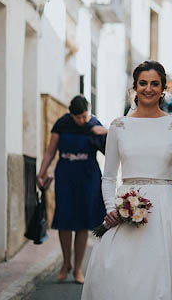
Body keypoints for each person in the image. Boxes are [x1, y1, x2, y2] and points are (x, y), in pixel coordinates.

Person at [82, 61, 172, 298]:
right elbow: (108, 177)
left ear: (163, 88)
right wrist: (111, 209)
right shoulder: (119, 126)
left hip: (168, 210)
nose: (148, 89)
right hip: (126, 208)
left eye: (154, 84)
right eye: (143, 83)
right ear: (134, 88)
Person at [36, 95, 108, 284]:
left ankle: (78, 268)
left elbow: (111, 150)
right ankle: (65, 263)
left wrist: (106, 132)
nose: (83, 121)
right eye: (79, 118)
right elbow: (51, 152)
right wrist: (40, 173)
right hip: (66, 174)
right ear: (71, 114)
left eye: (85, 116)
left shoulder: (94, 124)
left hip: (88, 175)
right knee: (65, 219)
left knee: (83, 222)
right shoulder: (62, 124)